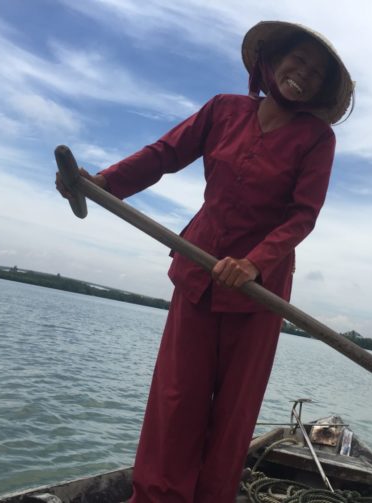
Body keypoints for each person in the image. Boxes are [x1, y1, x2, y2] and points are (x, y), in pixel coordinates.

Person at [56, 20, 353, 503]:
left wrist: (255, 263)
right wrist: (104, 184)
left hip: (259, 292)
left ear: (319, 90)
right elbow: (165, 154)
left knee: (233, 414)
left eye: (316, 73)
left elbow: (303, 216)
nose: (303, 74)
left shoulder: (317, 140)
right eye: (297, 60)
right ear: (272, 61)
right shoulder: (224, 109)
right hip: (198, 271)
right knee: (176, 401)